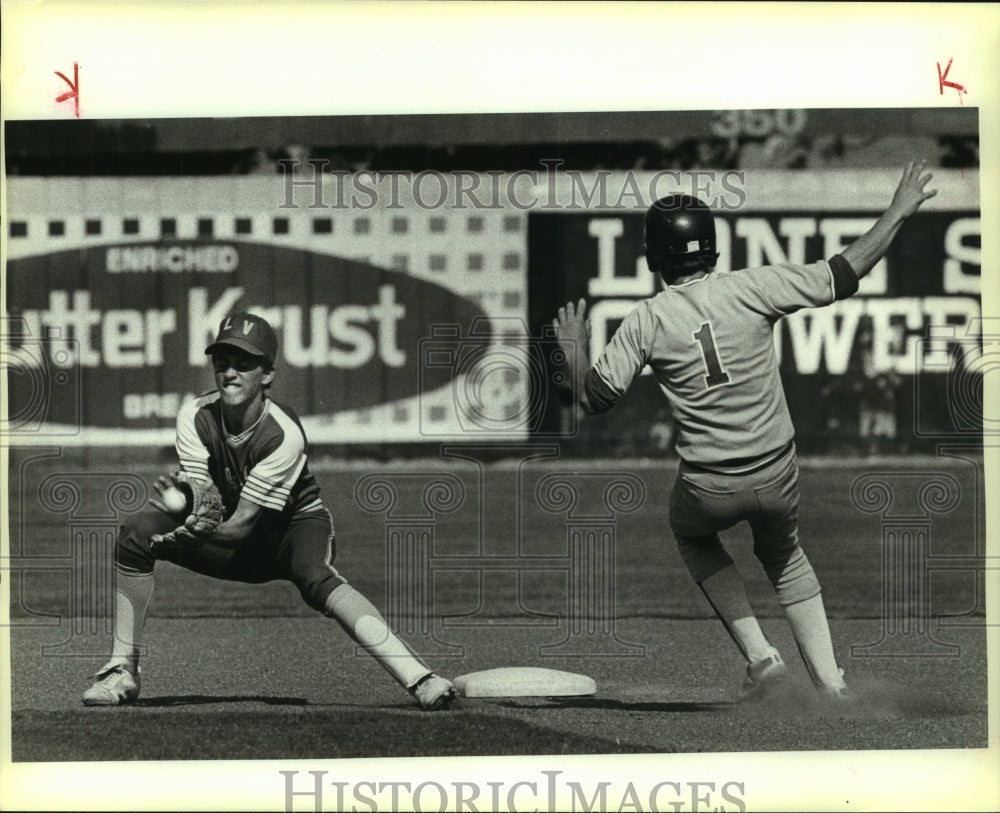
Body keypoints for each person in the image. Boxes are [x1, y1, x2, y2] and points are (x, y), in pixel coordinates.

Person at [553, 161, 936, 700]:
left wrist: (571, 355)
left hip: (709, 484)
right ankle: (831, 682)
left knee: (691, 534)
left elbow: (594, 400)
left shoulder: (647, 318)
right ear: (712, 247)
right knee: (784, 555)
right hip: (777, 472)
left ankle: (762, 659)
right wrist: (899, 210)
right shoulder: (754, 286)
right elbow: (843, 274)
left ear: (654, 257)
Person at [83, 312, 456, 710]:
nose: (230, 372)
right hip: (227, 535)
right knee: (136, 533)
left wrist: (194, 529)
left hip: (291, 532)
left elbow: (242, 526)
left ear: (267, 375)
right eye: (222, 362)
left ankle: (420, 678)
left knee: (316, 577)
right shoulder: (194, 417)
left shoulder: (283, 434)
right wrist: (192, 508)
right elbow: (207, 499)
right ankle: (122, 670)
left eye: (244, 363)